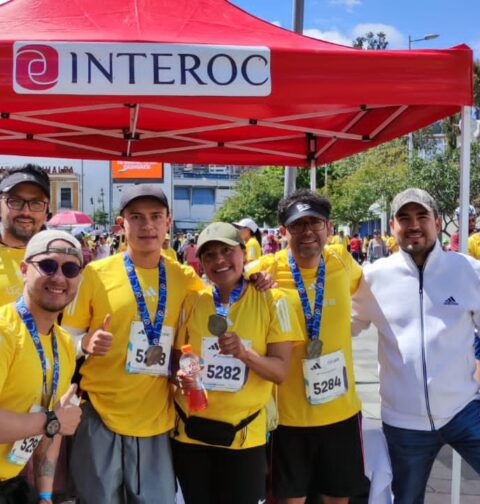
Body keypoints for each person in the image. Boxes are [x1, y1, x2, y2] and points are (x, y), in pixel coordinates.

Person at [60, 185, 206, 503]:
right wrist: (85, 342)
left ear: (169, 222)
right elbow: (62, 343)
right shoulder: (94, 275)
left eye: (155, 217)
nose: (147, 226)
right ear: (121, 223)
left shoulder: (184, 278)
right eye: (136, 217)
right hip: (98, 414)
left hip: (156, 420)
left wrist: (259, 279)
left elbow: (222, 298)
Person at [352, 188, 480, 503]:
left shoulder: (467, 271)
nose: (414, 225)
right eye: (404, 218)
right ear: (392, 227)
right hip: (403, 423)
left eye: (422, 216)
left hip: (464, 410)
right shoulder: (373, 277)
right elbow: (344, 328)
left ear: (437, 222)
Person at [247, 189, 365, 504]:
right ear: (284, 231)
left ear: (329, 227)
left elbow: (372, 291)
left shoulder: (342, 260)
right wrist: (253, 285)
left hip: (341, 412)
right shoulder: (265, 269)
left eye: (315, 222)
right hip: (287, 418)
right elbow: (224, 285)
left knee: (339, 498)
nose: (308, 231)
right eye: (298, 225)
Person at [172, 222, 301, 504]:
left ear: (243, 253)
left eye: (226, 251)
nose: (219, 260)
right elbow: (176, 358)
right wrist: (179, 373)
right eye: (209, 255)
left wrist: (245, 354)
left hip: (244, 435)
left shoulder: (273, 299)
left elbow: (280, 372)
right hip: (191, 435)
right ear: (201, 263)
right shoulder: (192, 301)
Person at [0, 230, 83, 503]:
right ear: (24, 269)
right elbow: (53, 422)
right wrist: (51, 421)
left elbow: (52, 428)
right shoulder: (5, 332)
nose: (59, 277)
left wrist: (45, 493)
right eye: (48, 265)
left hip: (13, 482)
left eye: (70, 269)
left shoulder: (64, 344)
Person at [0, 165, 51, 305]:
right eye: (15, 201)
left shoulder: (63, 262)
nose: (26, 212)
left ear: (47, 212)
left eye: (36, 203)